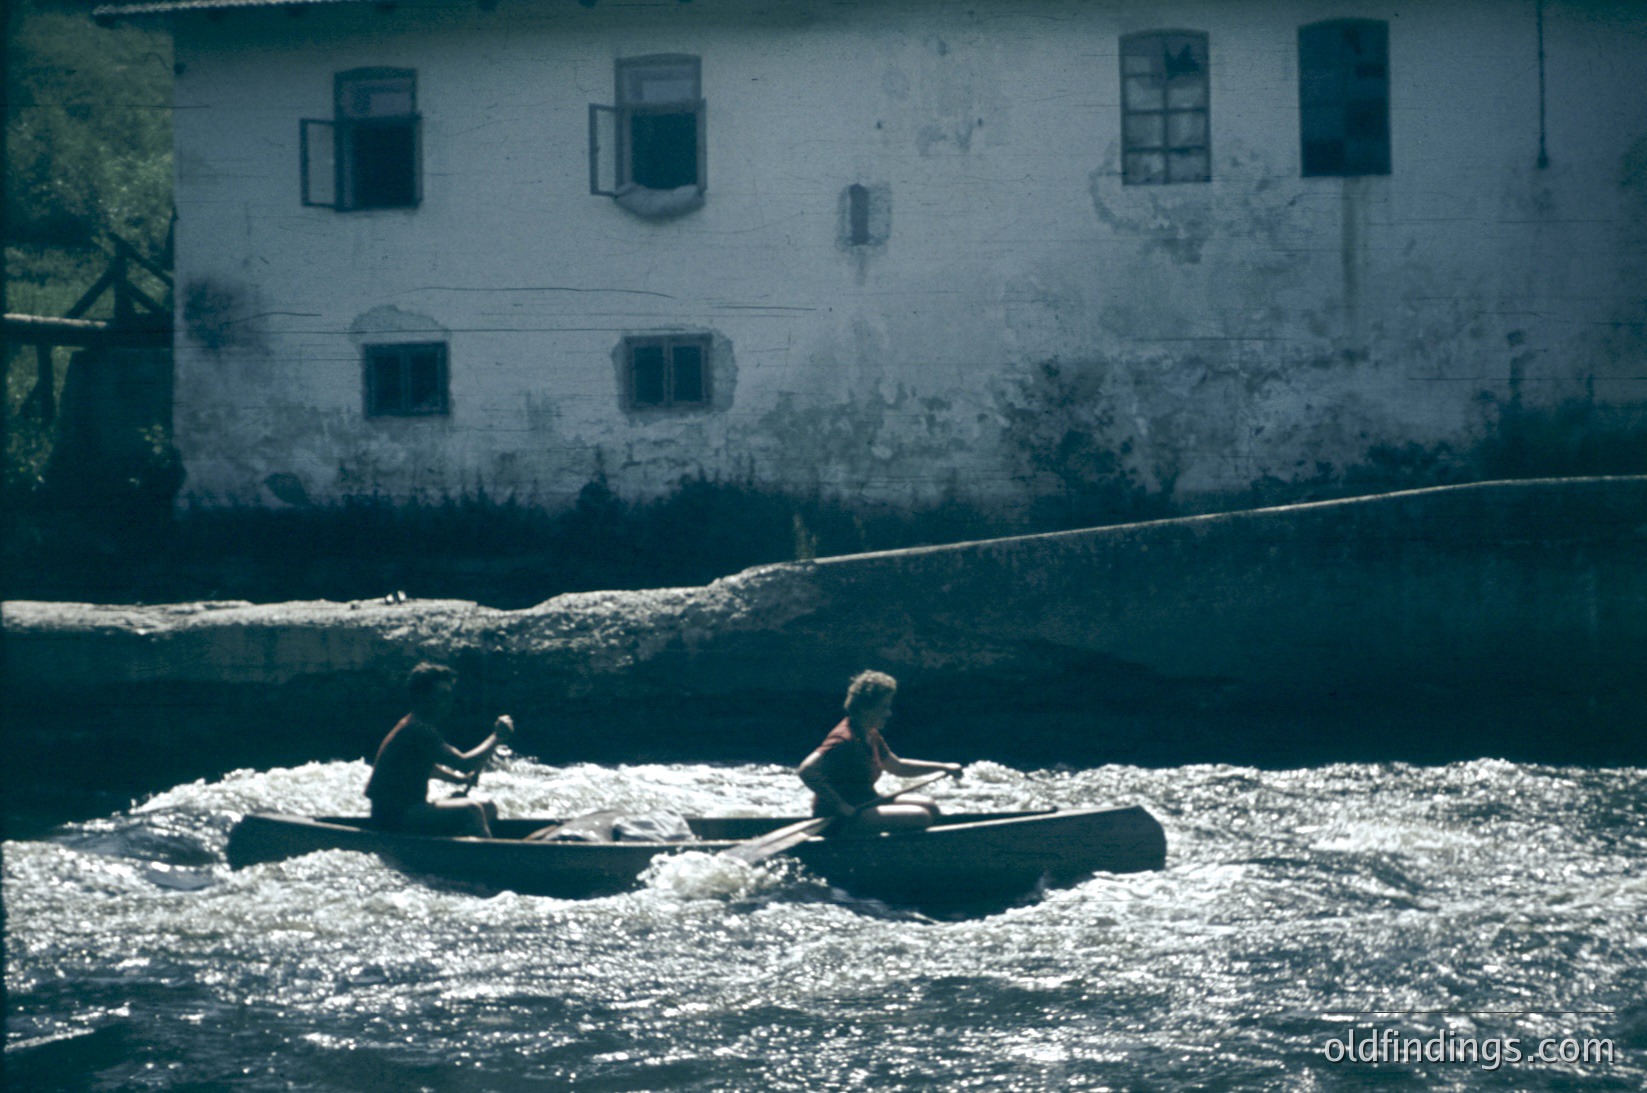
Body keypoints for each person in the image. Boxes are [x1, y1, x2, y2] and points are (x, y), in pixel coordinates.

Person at [797, 669, 962, 832]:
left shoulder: (870, 733)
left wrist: (943, 767)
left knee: (930, 806)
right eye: (883, 708)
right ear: (864, 708)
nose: (888, 713)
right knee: (921, 816)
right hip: (843, 815)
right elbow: (806, 770)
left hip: (867, 801)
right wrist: (841, 806)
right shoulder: (844, 739)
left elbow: (897, 766)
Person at [365, 662, 514, 837]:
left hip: (409, 811)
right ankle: (491, 858)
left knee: (487, 806)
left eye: (449, 696)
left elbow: (425, 769)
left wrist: (457, 780)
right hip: (394, 818)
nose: (448, 702)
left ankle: (466, 850)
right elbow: (465, 763)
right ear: (422, 696)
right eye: (442, 695)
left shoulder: (417, 725)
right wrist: (497, 737)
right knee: (471, 810)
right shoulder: (417, 729)